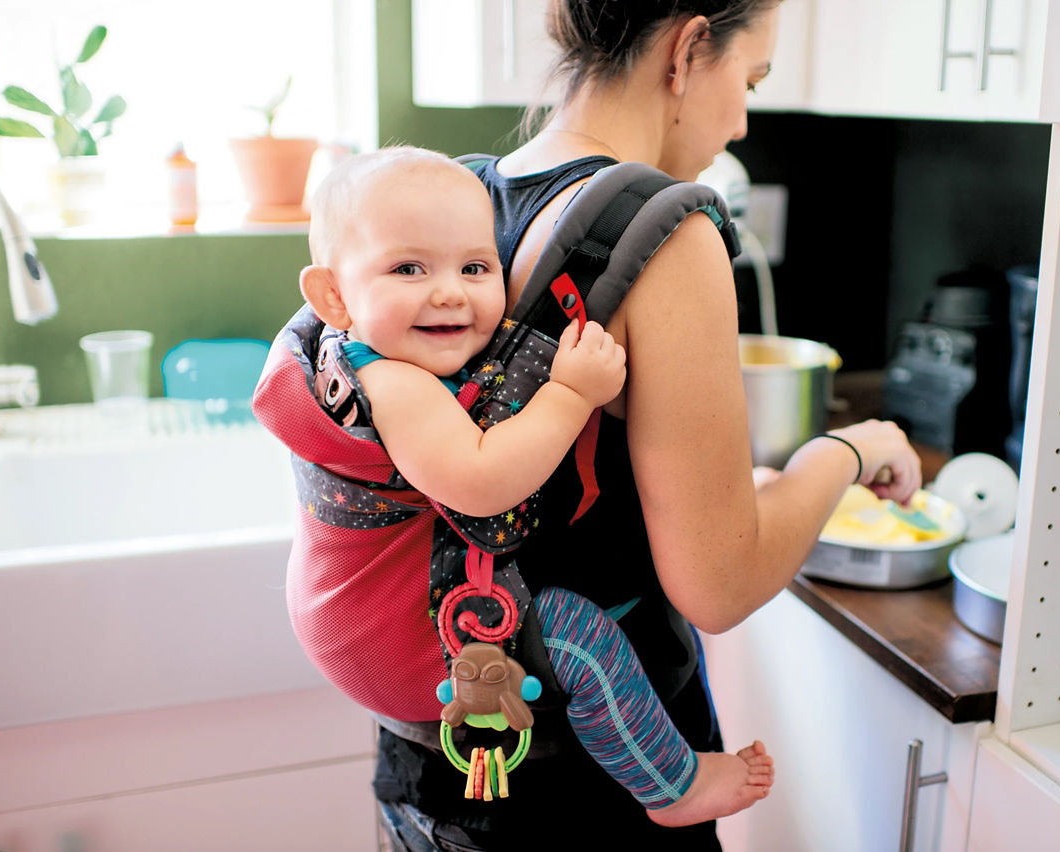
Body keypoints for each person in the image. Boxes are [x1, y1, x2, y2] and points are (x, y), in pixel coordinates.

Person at [372, 2, 923, 850]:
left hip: (438, 761)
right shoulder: (666, 231)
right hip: (590, 783)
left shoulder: (464, 200)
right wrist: (846, 452)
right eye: (748, 79)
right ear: (689, 48)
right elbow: (719, 581)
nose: (740, 120)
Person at [254, 146, 775, 831]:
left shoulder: (354, 349)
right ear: (333, 296)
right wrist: (568, 393)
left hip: (355, 619)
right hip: (399, 631)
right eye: (409, 268)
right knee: (582, 640)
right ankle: (670, 785)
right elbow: (481, 483)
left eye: (475, 267)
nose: (449, 291)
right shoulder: (393, 381)